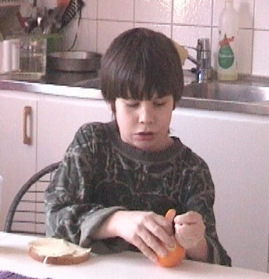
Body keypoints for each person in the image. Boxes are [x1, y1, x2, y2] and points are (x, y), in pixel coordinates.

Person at [45, 28, 231, 266]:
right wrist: (116, 221)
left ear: (175, 102)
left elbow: (221, 266)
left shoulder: (191, 171)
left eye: (159, 103)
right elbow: (55, 218)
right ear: (112, 103)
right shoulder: (91, 144)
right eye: (132, 104)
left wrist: (197, 243)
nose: (146, 117)